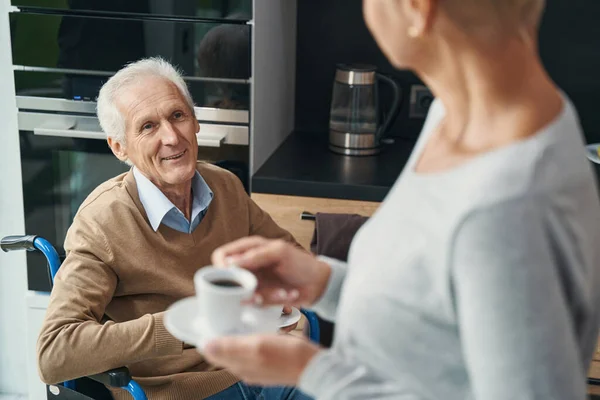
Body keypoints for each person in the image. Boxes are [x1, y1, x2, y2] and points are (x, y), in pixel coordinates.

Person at [204, 0, 600, 399]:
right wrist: (325, 284)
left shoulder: (508, 206)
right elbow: (440, 326)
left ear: (417, 9)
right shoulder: (459, 113)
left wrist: (308, 368)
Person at [36, 57, 310, 400]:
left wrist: (287, 302)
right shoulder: (103, 222)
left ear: (195, 122)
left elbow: (293, 263)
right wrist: (182, 325)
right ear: (119, 147)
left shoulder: (224, 185)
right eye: (148, 126)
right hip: (187, 391)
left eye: (178, 115)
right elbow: (54, 352)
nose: (171, 136)